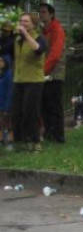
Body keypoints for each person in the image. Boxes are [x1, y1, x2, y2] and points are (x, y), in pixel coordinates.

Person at [11, 13, 48, 152]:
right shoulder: (17, 39)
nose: (22, 23)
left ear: (33, 24)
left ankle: (35, 141)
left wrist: (26, 35)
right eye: (21, 21)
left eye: (26, 21)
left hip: (34, 80)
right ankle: (21, 141)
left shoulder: (39, 37)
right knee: (16, 112)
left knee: (30, 111)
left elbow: (38, 49)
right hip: (19, 79)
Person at [38, 3, 66, 143]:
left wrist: (43, 70)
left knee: (54, 104)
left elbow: (55, 53)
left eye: (43, 12)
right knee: (45, 104)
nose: (41, 15)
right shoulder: (43, 30)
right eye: (40, 12)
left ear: (51, 14)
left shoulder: (57, 29)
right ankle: (49, 132)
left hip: (55, 73)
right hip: (45, 72)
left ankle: (58, 135)